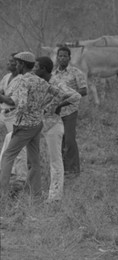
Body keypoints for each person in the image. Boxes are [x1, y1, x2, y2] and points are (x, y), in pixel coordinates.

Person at [0, 52, 70, 198]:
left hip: (24, 126)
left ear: (23, 65)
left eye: (18, 63)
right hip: (37, 124)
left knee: (7, 156)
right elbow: (60, 94)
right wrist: (45, 108)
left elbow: (22, 103)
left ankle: (2, 194)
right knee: (34, 161)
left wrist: (18, 118)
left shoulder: (22, 81)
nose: (16, 65)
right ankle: (36, 195)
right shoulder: (39, 81)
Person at [34, 56, 81, 202]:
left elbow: (76, 95)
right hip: (44, 125)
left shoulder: (56, 82)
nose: (34, 69)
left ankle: (55, 197)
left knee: (55, 162)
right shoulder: (42, 82)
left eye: (36, 67)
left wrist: (58, 105)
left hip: (53, 125)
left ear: (43, 69)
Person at [50, 46, 87, 176]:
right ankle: (62, 169)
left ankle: (73, 169)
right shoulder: (53, 74)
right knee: (59, 139)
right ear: (57, 57)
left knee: (70, 140)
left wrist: (68, 96)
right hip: (56, 111)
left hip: (70, 110)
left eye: (65, 56)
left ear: (69, 58)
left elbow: (84, 90)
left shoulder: (76, 73)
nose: (62, 58)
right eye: (60, 56)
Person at [0, 52, 27, 193]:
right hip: (3, 112)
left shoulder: (22, 80)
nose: (9, 64)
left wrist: (3, 97)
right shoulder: (6, 77)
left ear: (19, 64)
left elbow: (11, 101)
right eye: (9, 61)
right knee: (8, 143)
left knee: (19, 147)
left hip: (14, 115)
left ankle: (20, 179)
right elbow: (3, 95)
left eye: (12, 62)